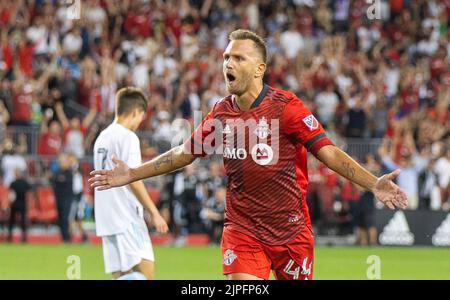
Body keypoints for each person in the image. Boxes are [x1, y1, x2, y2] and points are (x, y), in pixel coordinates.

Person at [90, 29, 408, 280]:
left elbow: (329, 153)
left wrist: (373, 184)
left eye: (238, 58)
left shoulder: (287, 107)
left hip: (291, 232)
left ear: (259, 69)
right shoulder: (220, 113)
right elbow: (182, 154)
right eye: (226, 57)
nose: (228, 63)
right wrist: (132, 173)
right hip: (243, 231)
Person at [93, 87, 168, 280]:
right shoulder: (127, 137)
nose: (139, 122)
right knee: (145, 275)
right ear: (135, 112)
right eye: (141, 116)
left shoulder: (102, 137)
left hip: (106, 219)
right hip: (126, 217)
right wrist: (154, 212)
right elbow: (133, 180)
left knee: (121, 276)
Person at [51, 152, 73, 243]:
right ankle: (63, 237)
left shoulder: (69, 172)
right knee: (60, 219)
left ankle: (67, 238)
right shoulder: (57, 172)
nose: (61, 162)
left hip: (67, 199)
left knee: (65, 218)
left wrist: (60, 180)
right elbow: (54, 182)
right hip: (58, 198)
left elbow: (64, 182)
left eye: (62, 160)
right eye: (60, 161)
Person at [7, 168, 32, 243]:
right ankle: (22, 237)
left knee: (13, 220)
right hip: (21, 203)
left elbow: (11, 195)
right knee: (21, 220)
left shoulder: (13, 183)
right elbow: (29, 193)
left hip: (16, 203)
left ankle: (12, 236)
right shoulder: (24, 183)